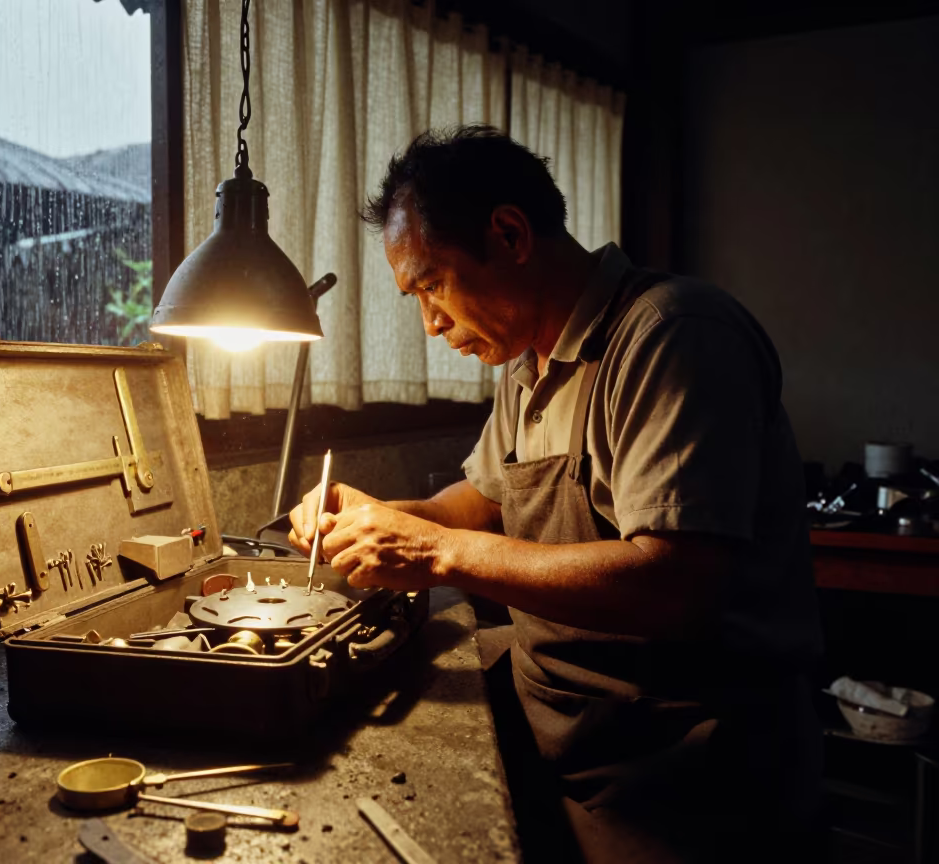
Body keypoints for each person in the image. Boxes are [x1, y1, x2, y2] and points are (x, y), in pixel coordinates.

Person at [288, 126, 824, 863]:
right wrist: (376, 517)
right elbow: (469, 507)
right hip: (572, 724)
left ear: (509, 235)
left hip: (680, 763)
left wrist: (437, 552)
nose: (430, 323)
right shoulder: (527, 365)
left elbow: (677, 583)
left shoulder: (671, 336)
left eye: (433, 284)